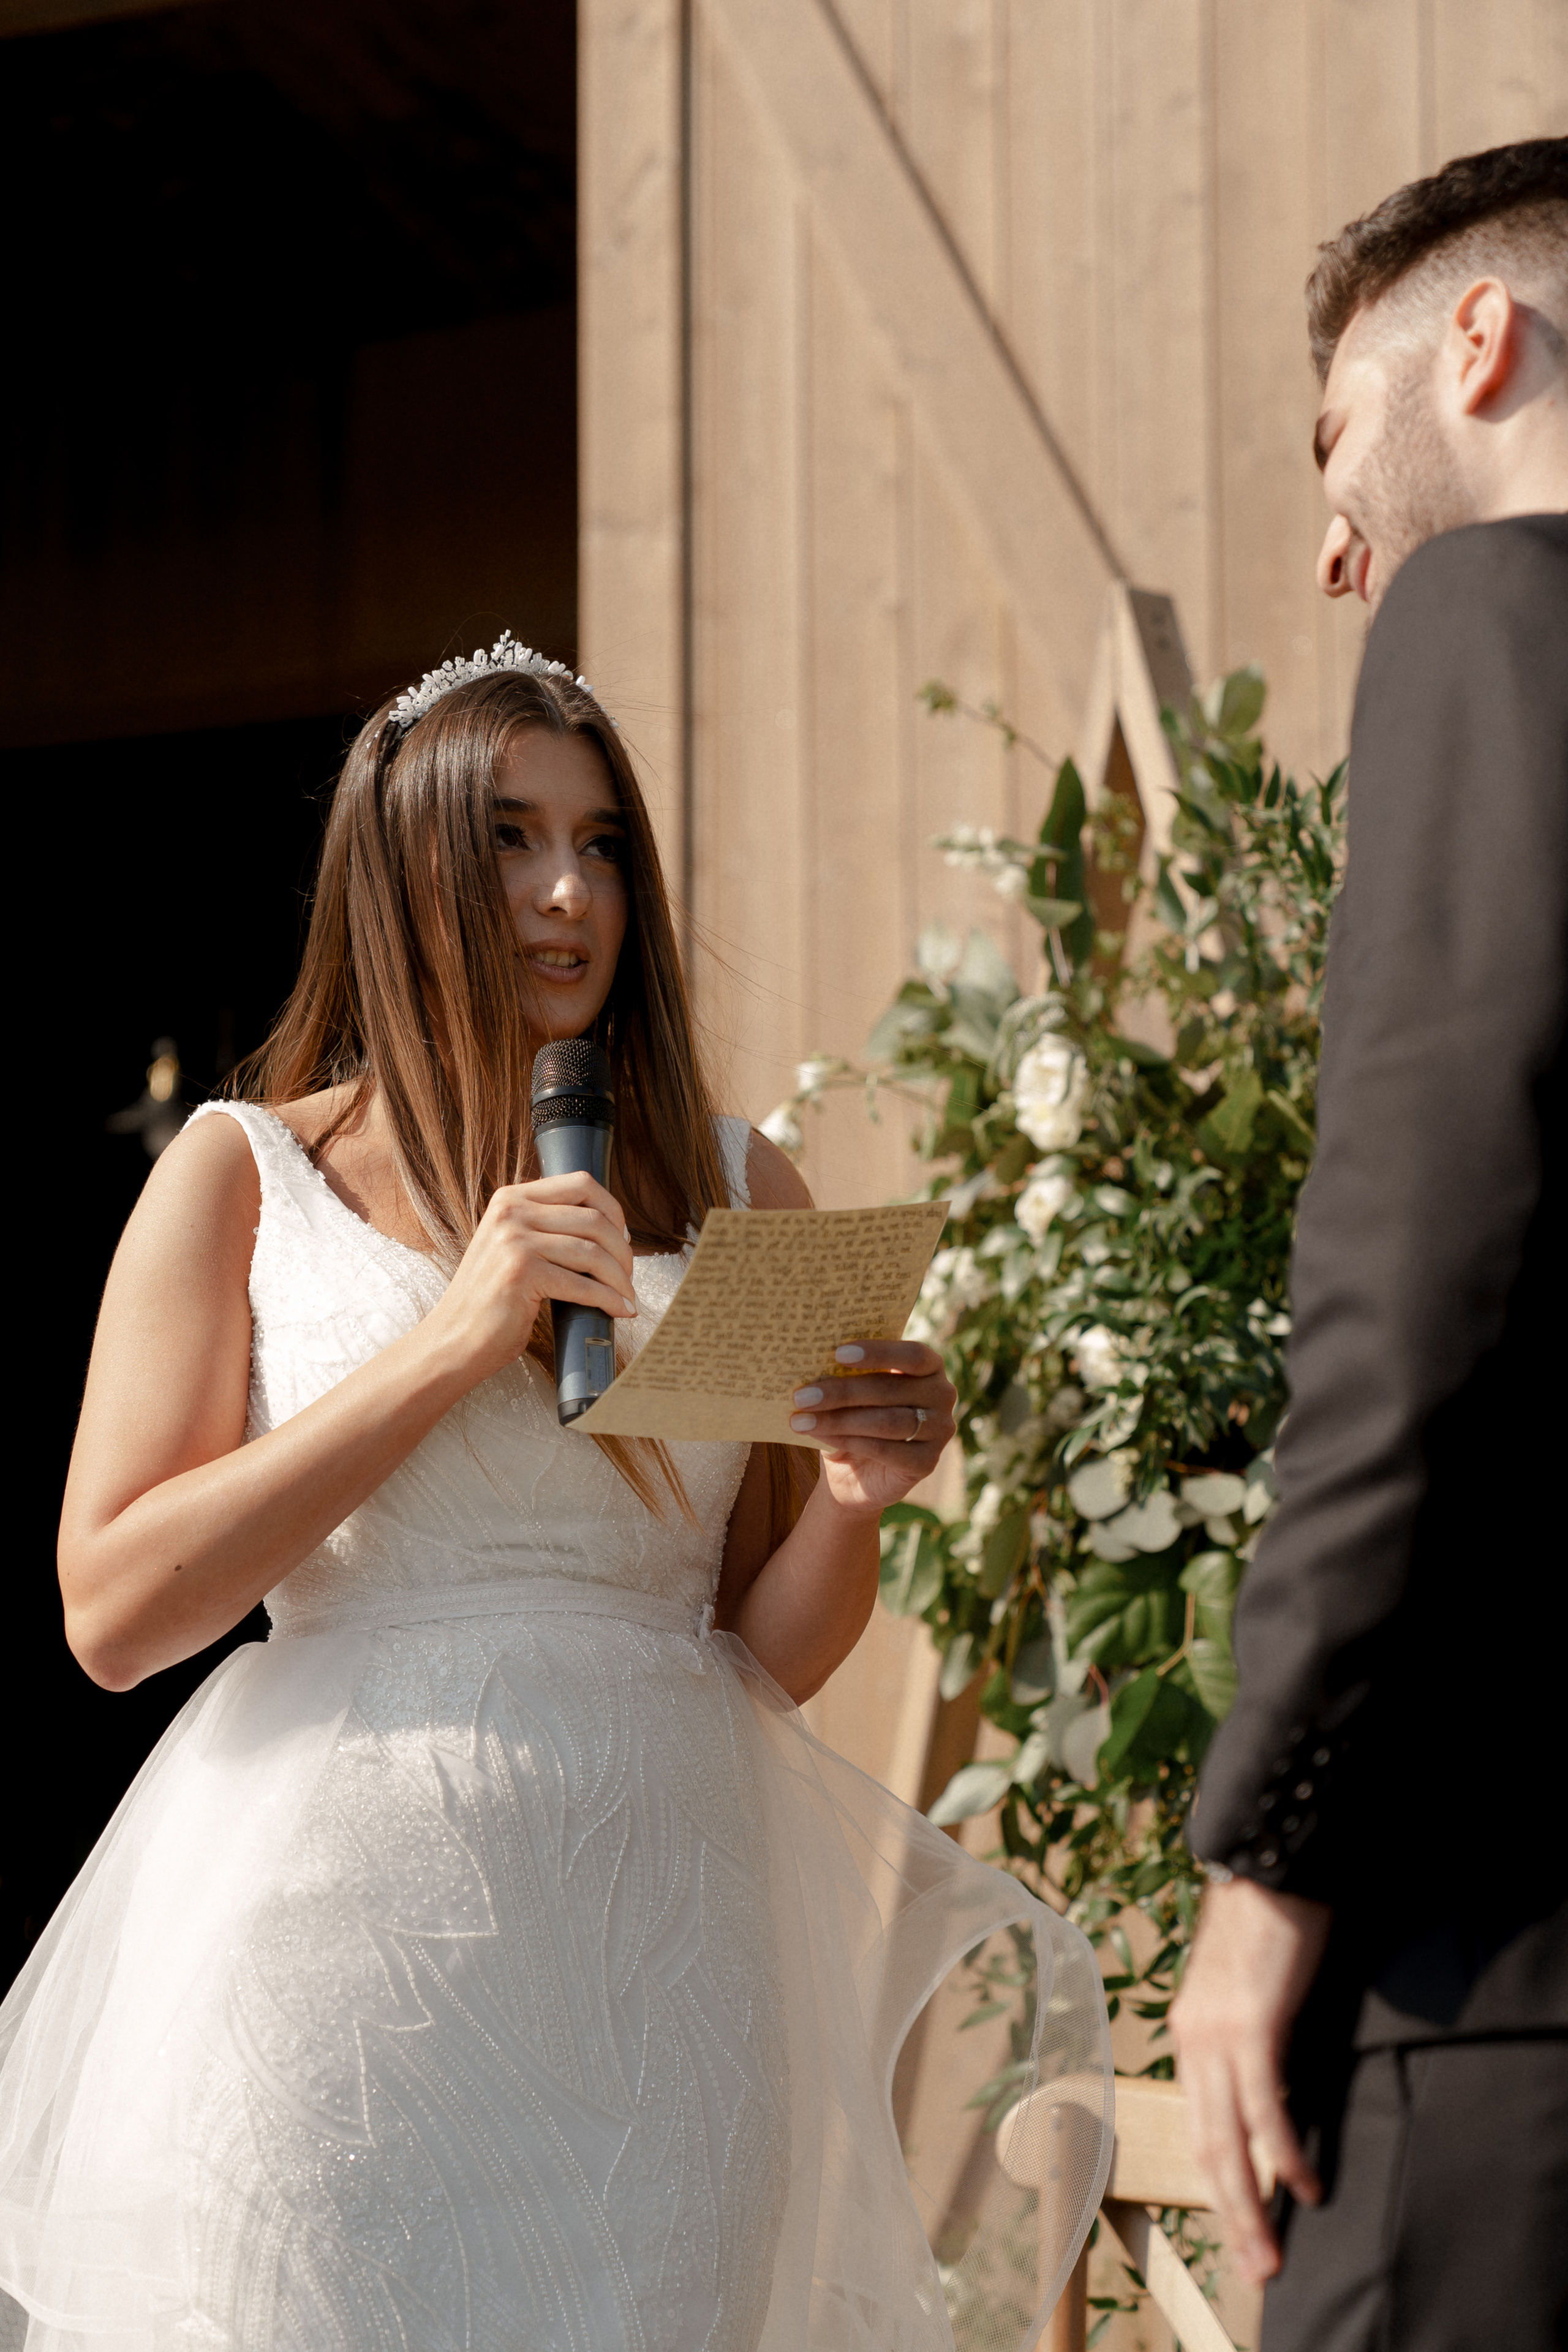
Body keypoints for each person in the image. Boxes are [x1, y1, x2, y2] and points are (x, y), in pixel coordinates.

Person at [0, 641, 1110, 2350]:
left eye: (601, 846)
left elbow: (760, 1657)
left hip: (666, 1997)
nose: (566, 891)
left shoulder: (746, 1182)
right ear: (405, 870)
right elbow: (112, 1615)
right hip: (331, 2009)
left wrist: (856, 1495)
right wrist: (452, 1342)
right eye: (511, 839)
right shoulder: (243, 1176)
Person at [1172, 139, 1567, 2350]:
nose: (1334, 547)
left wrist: (1269, 1856)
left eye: (1337, 438)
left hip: (1500, 1979)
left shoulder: (1494, 615)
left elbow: (1428, 1259)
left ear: (1483, 344)